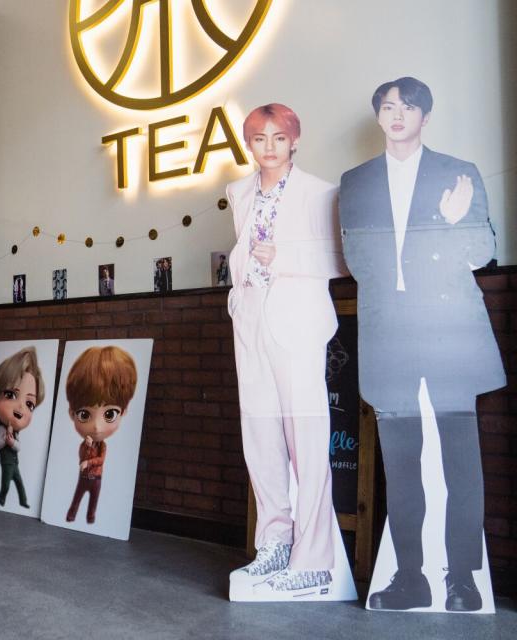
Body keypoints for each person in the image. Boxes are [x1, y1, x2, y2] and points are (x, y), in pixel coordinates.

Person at [339, 77, 504, 612]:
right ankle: (411, 577)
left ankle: (462, 578)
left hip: (450, 332)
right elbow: (359, 262)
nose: (397, 114)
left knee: (461, 460)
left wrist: (453, 223)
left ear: (424, 118)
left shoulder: (459, 173)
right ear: (379, 116)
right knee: (401, 462)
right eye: (388, 106)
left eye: (408, 107)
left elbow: (483, 249)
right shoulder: (356, 181)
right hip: (392, 336)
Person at [224, 103, 348, 596]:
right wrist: (238, 298)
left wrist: (287, 257)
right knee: (259, 434)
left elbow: (341, 259)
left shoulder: (320, 192)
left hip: (295, 321)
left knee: (307, 436)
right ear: (249, 145)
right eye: (259, 138)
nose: (269, 146)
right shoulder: (239, 192)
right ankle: (274, 543)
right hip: (250, 318)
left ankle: (314, 555)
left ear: (294, 140)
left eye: (279, 137)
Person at [64, 346, 137, 524]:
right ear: (72, 413)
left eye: (109, 414)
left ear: (124, 411)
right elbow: (81, 456)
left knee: (93, 502)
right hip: (84, 478)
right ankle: (71, 515)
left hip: (96, 478)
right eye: (84, 414)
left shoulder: (103, 446)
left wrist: (89, 461)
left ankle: (90, 519)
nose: (96, 427)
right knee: (76, 499)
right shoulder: (85, 444)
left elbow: (100, 459)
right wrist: (88, 449)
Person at [0, 347, 45, 509]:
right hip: (7, 463)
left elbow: (18, 447)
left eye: (29, 404)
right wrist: (6, 441)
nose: (20, 407)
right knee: (6, 484)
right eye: (11, 395)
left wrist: (12, 441)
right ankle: (1, 499)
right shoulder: (2, 429)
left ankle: (23, 501)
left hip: (14, 463)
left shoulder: (16, 432)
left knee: (20, 484)